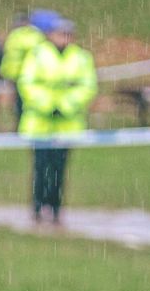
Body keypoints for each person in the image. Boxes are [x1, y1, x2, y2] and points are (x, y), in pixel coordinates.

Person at [17, 17, 97, 223]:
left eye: (68, 34)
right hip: (40, 126)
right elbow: (27, 83)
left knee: (59, 171)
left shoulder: (81, 58)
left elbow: (87, 86)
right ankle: (37, 208)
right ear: (51, 35)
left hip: (67, 126)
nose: (64, 38)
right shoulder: (37, 55)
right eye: (60, 33)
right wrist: (47, 105)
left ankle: (55, 209)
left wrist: (65, 106)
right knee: (40, 169)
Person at [0, 10, 52, 130]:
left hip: (16, 75)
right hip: (26, 75)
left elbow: (9, 56)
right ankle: (26, 125)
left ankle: (21, 125)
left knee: (19, 103)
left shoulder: (14, 35)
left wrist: (6, 72)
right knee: (27, 103)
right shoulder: (34, 36)